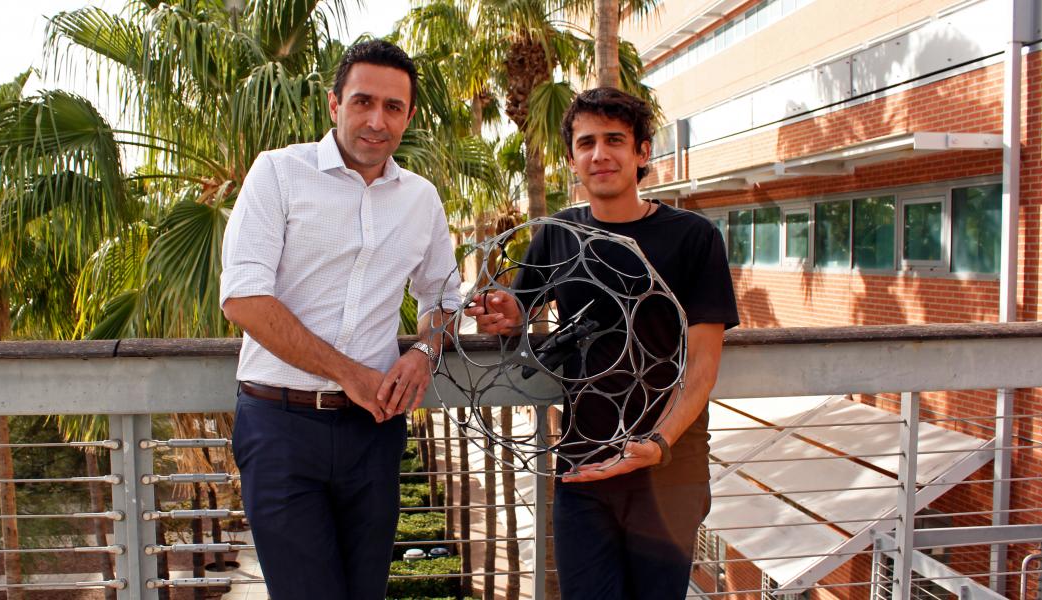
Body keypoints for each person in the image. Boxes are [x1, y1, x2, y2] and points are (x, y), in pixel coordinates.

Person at [466, 87, 739, 599]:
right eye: (586, 142)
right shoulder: (558, 232)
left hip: (668, 472)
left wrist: (657, 445)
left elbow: (703, 365)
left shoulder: (694, 237)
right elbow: (519, 309)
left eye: (615, 140)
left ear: (641, 153)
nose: (600, 154)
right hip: (583, 468)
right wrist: (503, 314)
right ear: (572, 159)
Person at [219, 40, 460, 600]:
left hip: (372, 433)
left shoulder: (421, 199)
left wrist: (424, 352)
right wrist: (350, 373)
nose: (377, 121)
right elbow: (244, 297)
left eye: (393, 108)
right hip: (279, 426)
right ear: (334, 104)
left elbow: (443, 299)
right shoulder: (277, 174)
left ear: (409, 116)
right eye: (362, 102)